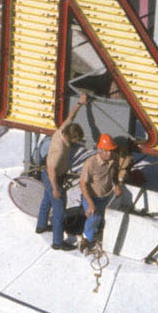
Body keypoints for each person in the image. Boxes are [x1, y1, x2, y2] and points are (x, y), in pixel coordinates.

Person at [35, 92, 88, 250]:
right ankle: (58, 242)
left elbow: (71, 117)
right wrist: (56, 189)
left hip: (51, 175)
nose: (78, 143)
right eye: (76, 141)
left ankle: (41, 226)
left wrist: (80, 103)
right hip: (53, 177)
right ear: (70, 138)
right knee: (59, 211)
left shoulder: (63, 130)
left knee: (46, 201)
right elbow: (51, 170)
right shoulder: (59, 149)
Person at [78, 133, 125, 251]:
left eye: (111, 150)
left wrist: (117, 186)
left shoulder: (113, 159)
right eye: (106, 151)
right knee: (93, 217)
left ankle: (94, 232)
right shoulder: (90, 163)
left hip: (105, 197)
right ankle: (86, 240)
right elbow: (83, 184)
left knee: (100, 218)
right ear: (99, 149)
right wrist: (90, 204)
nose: (109, 154)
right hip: (92, 197)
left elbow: (113, 176)